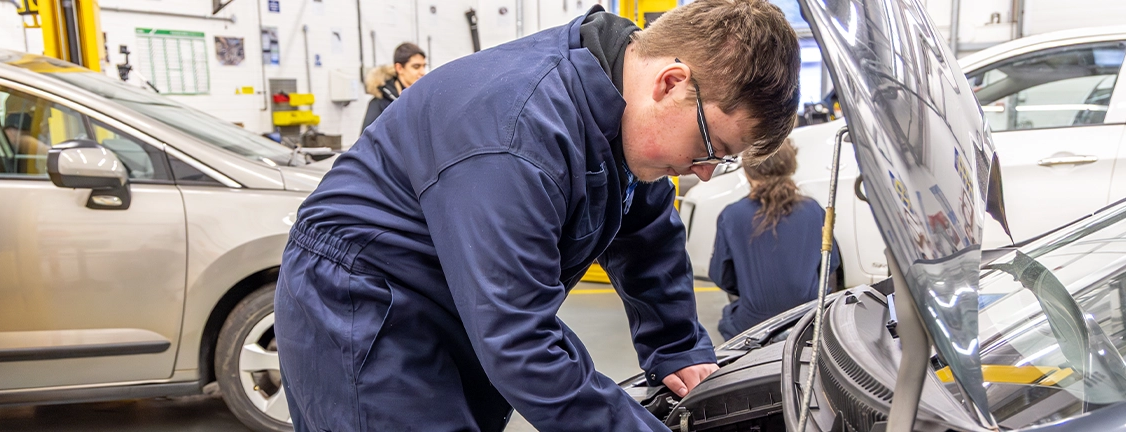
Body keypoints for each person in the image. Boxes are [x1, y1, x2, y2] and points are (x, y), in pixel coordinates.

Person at [275, 1, 801, 430]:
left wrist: (677, 347)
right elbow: (519, 339)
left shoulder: (618, 98)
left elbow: (647, 235)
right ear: (670, 82)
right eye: (713, 146)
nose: (706, 174)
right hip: (363, 305)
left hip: (454, 298)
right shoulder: (516, 136)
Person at [709, 141, 838, 340]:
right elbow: (830, 265)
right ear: (790, 167)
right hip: (808, 321)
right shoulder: (814, 210)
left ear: (747, 172)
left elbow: (721, 276)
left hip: (753, 326)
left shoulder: (732, 215)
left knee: (729, 317)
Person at [360, 42, 427, 131]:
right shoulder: (380, 103)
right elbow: (367, 141)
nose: (422, 72)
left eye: (424, 66)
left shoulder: (425, 98)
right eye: (416, 67)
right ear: (399, 68)